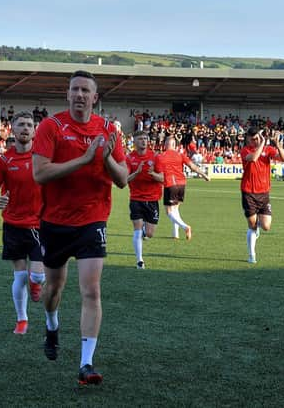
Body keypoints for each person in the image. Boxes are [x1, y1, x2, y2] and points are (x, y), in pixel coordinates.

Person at [32, 70, 128, 385]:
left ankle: (86, 364)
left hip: (93, 219)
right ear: (67, 94)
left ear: (95, 97)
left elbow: (123, 179)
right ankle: (51, 323)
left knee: (91, 289)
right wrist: (85, 160)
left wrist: (105, 159)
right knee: (54, 289)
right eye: (75, 89)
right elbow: (40, 174)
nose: (80, 95)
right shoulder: (51, 127)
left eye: (86, 90)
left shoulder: (108, 130)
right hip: (55, 222)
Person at [0, 111, 45, 335]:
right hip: (12, 224)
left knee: (38, 275)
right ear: (12, 129)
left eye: (29, 125)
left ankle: (37, 283)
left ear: (34, 130)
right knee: (20, 275)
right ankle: (22, 319)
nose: (25, 128)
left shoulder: (42, 157)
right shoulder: (4, 160)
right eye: (21, 124)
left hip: (39, 225)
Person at [240, 127, 284, 264]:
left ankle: (257, 229)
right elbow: (254, 158)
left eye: (257, 138)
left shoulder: (268, 150)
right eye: (253, 139)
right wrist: (263, 142)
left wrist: (278, 145)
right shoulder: (245, 151)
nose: (255, 141)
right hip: (248, 192)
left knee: (266, 226)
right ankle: (251, 255)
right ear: (248, 138)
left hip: (264, 193)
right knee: (252, 226)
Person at [157, 135, 210, 240]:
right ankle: (175, 234)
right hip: (181, 184)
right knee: (175, 209)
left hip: (170, 184)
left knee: (169, 211)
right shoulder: (180, 155)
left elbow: (159, 174)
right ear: (174, 145)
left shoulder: (160, 156)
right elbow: (192, 166)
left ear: (166, 144)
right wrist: (204, 175)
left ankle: (185, 227)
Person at [126, 130, 164, 270]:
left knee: (149, 234)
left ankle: (143, 232)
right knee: (137, 230)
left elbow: (162, 178)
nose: (144, 141)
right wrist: (136, 173)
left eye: (145, 139)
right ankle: (139, 261)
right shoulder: (129, 158)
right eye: (140, 139)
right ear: (134, 142)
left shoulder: (155, 157)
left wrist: (152, 173)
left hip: (152, 200)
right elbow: (124, 180)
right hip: (135, 199)